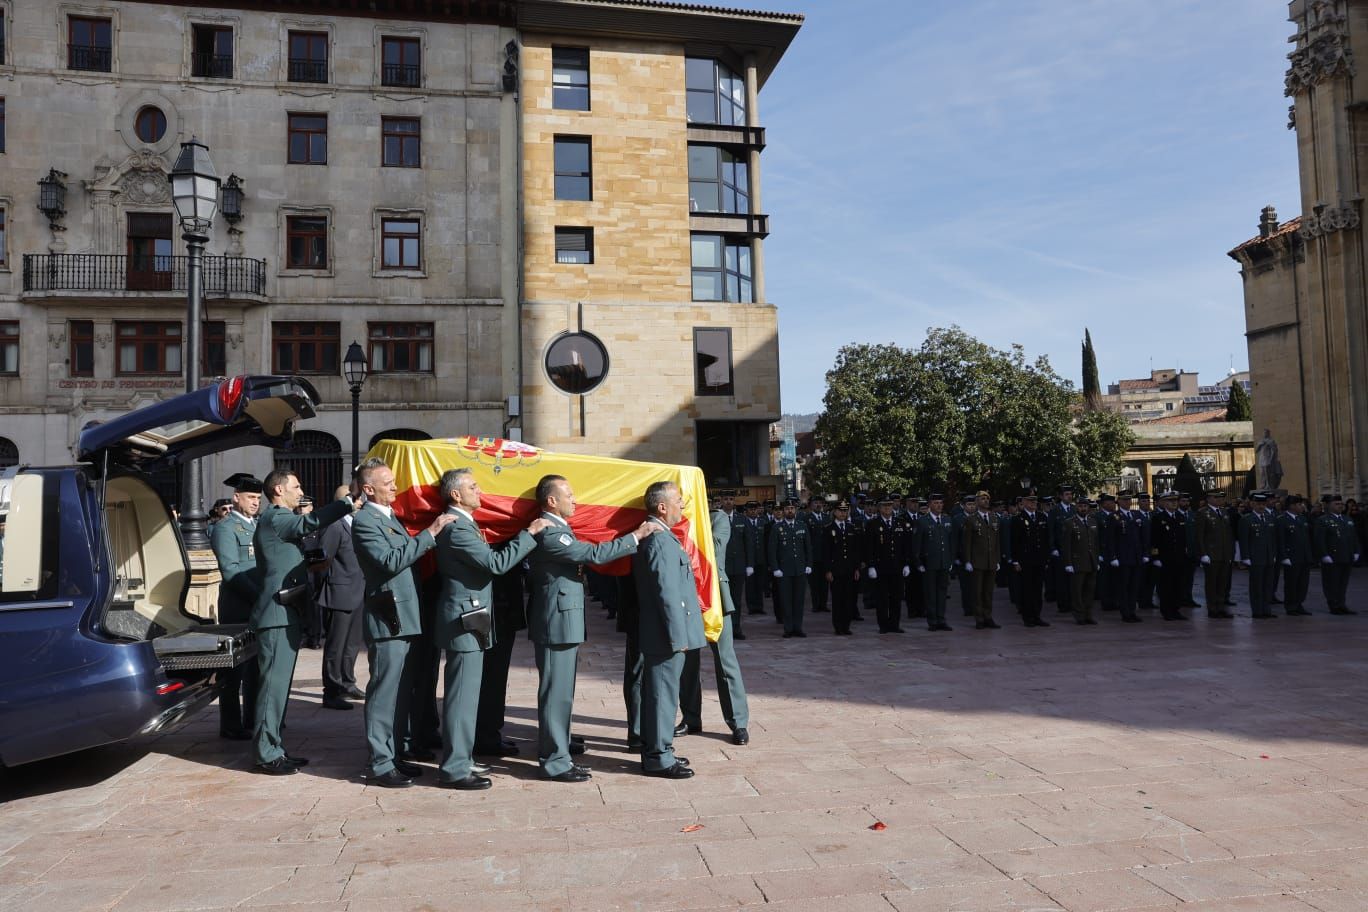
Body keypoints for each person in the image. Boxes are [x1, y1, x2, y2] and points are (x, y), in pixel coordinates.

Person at [527, 474, 651, 781]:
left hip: (562, 620)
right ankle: (554, 760)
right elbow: (592, 554)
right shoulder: (551, 533)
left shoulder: (560, 528)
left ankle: (560, 748)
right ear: (551, 500)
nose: (575, 500)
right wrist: (634, 537)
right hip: (555, 622)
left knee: (563, 692)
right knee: (556, 692)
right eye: (569, 495)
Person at [432, 467, 545, 789]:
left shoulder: (465, 525)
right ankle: (454, 768)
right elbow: (496, 564)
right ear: (456, 494)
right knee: (461, 697)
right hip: (465, 621)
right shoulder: (459, 530)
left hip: (472, 618)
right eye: (473, 486)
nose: (480, 490)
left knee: (468, 696)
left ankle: (463, 758)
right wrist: (529, 533)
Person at [350, 459, 455, 788]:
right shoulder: (366, 521)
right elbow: (390, 560)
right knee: (384, 693)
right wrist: (431, 533)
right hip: (389, 617)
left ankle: (393, 754)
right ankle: (379, 763)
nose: (395, 487)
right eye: (388, 483)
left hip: (403, 615)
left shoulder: (387, 515)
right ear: (368, 489)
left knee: (398, 694)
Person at [250, 469, 353, 775]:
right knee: (272, 688)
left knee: (278, 689)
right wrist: (347, 502)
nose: (300, 491)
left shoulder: (278, 520)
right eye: (296, 486)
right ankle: (265, 753)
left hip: (287, 612)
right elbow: (309, 522)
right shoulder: (276, 517)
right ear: (279, 490)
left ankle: (274, 747)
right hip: (277, 615)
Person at [633, 481, 704, 779]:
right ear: (662, 507)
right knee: (662, 695)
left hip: (663, 633)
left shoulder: (663, 536)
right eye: (678, 500)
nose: (683, 505)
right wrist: (678, 636)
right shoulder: (660, 540)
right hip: (665, 636)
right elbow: (667, 593)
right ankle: (658, 757)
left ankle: (660, 749)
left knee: (662, 693)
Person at [680, 505, 751, 745]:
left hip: (715, 597)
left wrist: (688, 527)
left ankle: (738, 722)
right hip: (686, 596)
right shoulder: (676, 519)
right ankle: (691, 717)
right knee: (687, 662)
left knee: (725, 660)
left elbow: (715, 548)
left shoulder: (717, 518)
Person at [210, 473, 263, 740]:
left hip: (256, 605)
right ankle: (230, 724)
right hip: (237, 606)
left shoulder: (255, 525)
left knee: (255, 668)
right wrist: (259, 596)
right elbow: (230, 571)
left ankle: (253, 719)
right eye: (251, 497)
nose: (256, 502)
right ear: (236, 497)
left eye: (258, 498)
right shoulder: (225, 528)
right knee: (233, 671)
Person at [318, 481, 367, 710]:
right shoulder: (335, 526)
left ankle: (347, 682)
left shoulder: (357, 523)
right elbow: (322, 560)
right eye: (353, 497)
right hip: (340, 591)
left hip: (358, 590)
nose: (359, 501)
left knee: (352, 643)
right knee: (336, 644)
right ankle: (332, 690)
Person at [864, 495, 911, 633]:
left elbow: (905, 546)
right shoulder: (873, 524)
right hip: (881, 567)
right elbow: (869, 547)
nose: (887, 508)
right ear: (879, 508)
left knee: (896, 598)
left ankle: (895, 624)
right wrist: (871, 565)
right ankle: (883, 625)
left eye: (889, 506)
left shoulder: (900, 523)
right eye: (885, 506)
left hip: (897, 566)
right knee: (882, 598)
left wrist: (907, 563)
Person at [767, 498, 812, 638]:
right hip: (784, 570)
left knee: (798, 600)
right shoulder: (776, 528)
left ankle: (798, 627)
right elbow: (772, 550)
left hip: (800, 569)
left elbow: (808, 548)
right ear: (783, 511)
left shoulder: (802, 526)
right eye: (787, 509)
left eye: (792, 508)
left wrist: (809, 564)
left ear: (796, 510)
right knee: (786, 600)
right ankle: (788, 628)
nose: (790, 511)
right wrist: (775, 568)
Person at [1101, 492, 1144, 623]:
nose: (1128, 502)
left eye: (1129, 500)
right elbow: (1110, 539)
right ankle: (1125, 613)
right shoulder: (1114, 517)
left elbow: (1139, 537)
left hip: (1135, 557)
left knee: (1134, 586)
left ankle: (1132, 611)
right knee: (1124, 587)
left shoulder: (1136, 515)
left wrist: (1143, 554)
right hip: (1122, 557)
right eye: (1124, 500)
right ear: (1118, 502)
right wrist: (1113, 556)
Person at [1009, 492, 1051, 627]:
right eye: (1030, 501)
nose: (1034, 503)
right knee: (1026, 590)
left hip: (1039, 559)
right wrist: (1015, 561)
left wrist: (1046, 558)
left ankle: (1037, 616)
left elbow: (1045, 540)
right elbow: (1014, 542)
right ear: (1024, 502)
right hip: (1025, 560)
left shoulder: (1041, 516)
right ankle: (1028, 617)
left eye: (1035, 501)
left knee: (1038, 590)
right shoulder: (1018, 519)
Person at [961, 492, 1001, 629]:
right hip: (977, 561)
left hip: (991, 561)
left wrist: (997, 559)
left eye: (987, 498)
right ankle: (979, 618)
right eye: (982, 499)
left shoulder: (994, 517)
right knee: (977, 591)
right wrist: (967, 561)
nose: (986, 501)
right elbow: (967, 543)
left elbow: (997, 542)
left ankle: (988, 616)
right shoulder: (971, 519)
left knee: (988, 591)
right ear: (977, 502)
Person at [1195, 490, 1236, 619]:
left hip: (1224, 554)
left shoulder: (1224, 512)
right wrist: (1203, 553)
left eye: (1221, 497)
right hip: (1211, 554)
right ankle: (1212, 608)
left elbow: (1229, 534)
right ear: (1209, 499)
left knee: (1223, 582)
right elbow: (1199, 536)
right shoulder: (1202, 513)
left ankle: (1221, 607)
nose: (1220, 500)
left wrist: (1231, 552)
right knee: (1212, 582)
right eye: (1216, 497)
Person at [1316, 494, 1360, 615]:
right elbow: (1320, 540)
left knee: (1343, 582)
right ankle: (1334, 604)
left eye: (1341, 503)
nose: (1340, 506)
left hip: (1346, 555)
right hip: (1332, 556)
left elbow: (1354, 537)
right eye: (1336, 504)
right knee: (1332, 582)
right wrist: (1324, 555)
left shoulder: (1347, 519)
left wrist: (1356, 551)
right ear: (1329, 506)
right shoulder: (1323, 520)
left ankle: (1341, 604)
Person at [1150, 491, 1190, 621]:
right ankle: (1166, 611)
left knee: (1178, 586)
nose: (1174, 503)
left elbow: (1183, 539)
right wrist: (1155, 558)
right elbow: (1154, 539)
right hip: (1165, 558)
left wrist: (1185, 554)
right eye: (1170, 501)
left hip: (1178, 557)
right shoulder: (1158, 518)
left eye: (1175, 501)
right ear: (1164, 503)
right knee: (1166, 586)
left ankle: (1176, 609)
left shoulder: (1180, 517)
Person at [823, 500, 862, 635]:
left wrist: (857, 568)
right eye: (840, 510)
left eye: (845, 511)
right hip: (836, 570)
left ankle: (846, 625)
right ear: (835, 512)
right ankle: (838, 626)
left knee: (849, 599)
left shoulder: (851, 528)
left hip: (849, 569)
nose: (843, 513)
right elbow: (826, 552)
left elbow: (855, 550)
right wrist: (827, 570)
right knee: (838, 599)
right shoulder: (829, 529)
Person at [1061, 497, 1101, 625]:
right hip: (1077, 562)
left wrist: (1097, 558)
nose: (1083, 508)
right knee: (1077, 591)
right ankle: (1079, 615)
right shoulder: (1069, 522)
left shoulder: (1092, 521)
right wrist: (1068, 563)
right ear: (1076, 507)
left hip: (1091, 561)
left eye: (1085, 506)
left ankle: (1088, 614)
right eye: (1080, 506)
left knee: (1090, 590)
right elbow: (1066, 545)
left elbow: (1096, 543)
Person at [917, 493, 954, 632]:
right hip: (929, 562)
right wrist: (918, 562)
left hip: (944, 562)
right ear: (930, 505)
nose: (939, 505)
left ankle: (941, 619)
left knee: (942, 592)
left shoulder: (946, 519)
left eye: (941, 503)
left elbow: (951, 542)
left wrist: (950, 559)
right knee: (931, 593)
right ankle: (932, 620)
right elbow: (918, 544)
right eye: (936, 503)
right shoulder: (923, 521)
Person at [1238, 491, 1278, 619]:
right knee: (1256, 585)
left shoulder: (1270, 518)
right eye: (1258, 504)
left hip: (1268, 557)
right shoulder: (1247, 519)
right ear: (1252, 504)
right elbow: (1244, 540)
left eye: (1263, 504)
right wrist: (1245, 557)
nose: (1261, 506)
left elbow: (1273, 539)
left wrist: (1274, 554)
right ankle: (1257, 611)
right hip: (1255, 557)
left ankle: (1267, 610)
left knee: (1267, 585)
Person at [1277, 495, 1313, 616]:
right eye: (1299, 504)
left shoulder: (1302, 519)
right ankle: (1291, 606)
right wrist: (1284, 556)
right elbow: (1280, 540)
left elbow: (1307, 539)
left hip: (1304, 556)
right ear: (1292, 506)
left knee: (1303, 583)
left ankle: (1299, 604)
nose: (1302, 506)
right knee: (1292, 583)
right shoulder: (1282, 519)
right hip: (1291, 557)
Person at [741, 501, 767, 616]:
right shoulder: (743, 522)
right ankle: (751, 607)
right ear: (746, 511)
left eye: (755, 509)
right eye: (751, 509)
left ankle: (759, 606)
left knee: (760, 583)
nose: (753, 511)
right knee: (750, 584)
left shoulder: (763, 522)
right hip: (748, 559)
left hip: (761, 558)